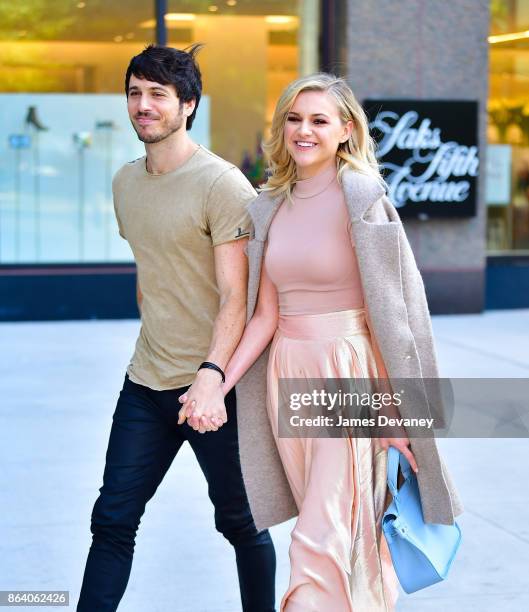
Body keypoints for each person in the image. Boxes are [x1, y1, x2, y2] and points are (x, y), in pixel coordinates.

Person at [180, 73, 463, 611]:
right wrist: (216, 384)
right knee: (339, 529)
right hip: (289, 374)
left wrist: (397, 414)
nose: (302, 130)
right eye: (293, 118)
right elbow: (263, 316)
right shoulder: (269, 206)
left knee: (321, 535)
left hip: (347, 375)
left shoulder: (364, 201)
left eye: (318, 120)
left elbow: (394, 318)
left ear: (346, 130)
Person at [76, 44, 276, 612]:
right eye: (135, 93)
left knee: (241, 522)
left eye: (158, 95)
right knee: (112, 519)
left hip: (215, 389)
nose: (143, 105)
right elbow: (153, 273)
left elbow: (237, 296)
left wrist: (212, 376)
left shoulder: (222, 185)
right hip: (146, 382)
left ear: (188, 104)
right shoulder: (125, 182)